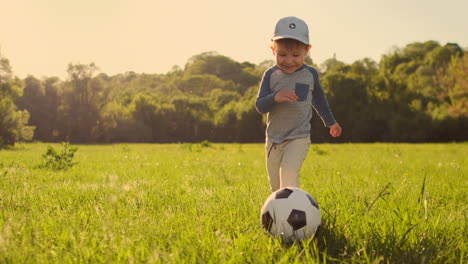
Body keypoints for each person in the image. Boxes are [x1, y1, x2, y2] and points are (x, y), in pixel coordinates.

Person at [255, 16, 342, 192]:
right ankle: (278, 216)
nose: (288, 60)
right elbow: (260, 106)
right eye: (282, 54)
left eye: (295, 55)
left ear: (307, 50)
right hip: (273, 138)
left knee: (289, 174)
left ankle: (294, 216)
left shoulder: (310, 75)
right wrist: (275, 97)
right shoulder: (270, 75)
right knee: (276, 186)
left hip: (298, 136)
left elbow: (319, 100)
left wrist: (330, 121)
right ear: (273, 49)